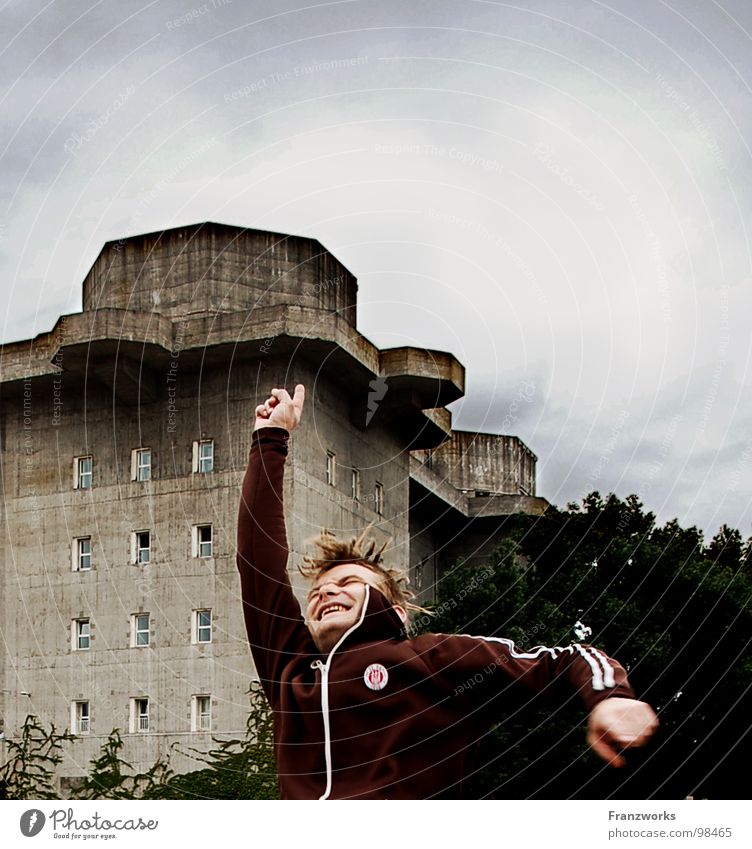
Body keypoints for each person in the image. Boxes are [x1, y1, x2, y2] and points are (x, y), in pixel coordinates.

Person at [237, 384, 658, 799]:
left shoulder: (436, 658)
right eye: (318, 591)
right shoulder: (291, 672)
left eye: (348, 583)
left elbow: (563, 661)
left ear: (397, 612)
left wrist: (610, 698)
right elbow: (259, 562)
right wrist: (269, 439)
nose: (326, 593)